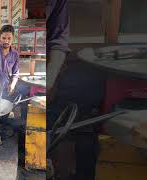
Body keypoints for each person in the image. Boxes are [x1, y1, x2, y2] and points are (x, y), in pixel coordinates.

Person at [47, 0, 107, 180]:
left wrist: (50, 80)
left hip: (52, 68)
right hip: (29, 72)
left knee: (68, 120)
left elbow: (59, 41)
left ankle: (61, 172)